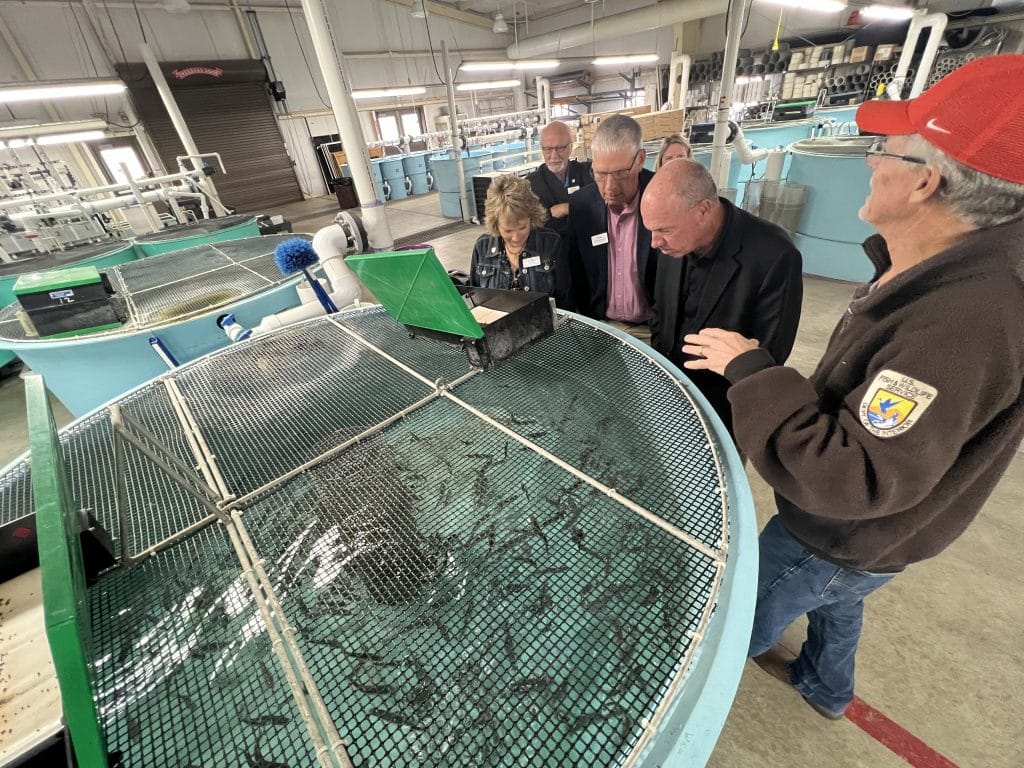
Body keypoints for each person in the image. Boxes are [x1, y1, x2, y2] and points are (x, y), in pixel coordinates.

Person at [681, 55, 1024, 720]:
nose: (871, 162)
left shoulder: (961, 321)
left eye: (883, 149)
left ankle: (693, 708)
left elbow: (856, 477)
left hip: (837, 534)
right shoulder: (938, 276)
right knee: (841, 599)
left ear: (926, 183)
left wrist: (754, 372)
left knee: (731, 629)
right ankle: (827, 687)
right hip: (880, 543)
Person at [640, 158, 802, 437]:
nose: (654, 242)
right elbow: (660, 310)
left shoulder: (774, 256)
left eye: (664, 230)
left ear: (703, 210)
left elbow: (769, 355)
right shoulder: (670, 243)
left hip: (725, 413)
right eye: (651, 230)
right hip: (668, 397)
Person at [566, 114, 658, 340]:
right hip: (600, 328)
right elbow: (576, 269)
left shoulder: (662, 198)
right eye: (600, 174)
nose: (609, 187)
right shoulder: (582, 205)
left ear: (640, 159)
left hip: (652, 331)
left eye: (620, 174)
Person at [470, 174, 569, 304]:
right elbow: (475, 298)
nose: (516, 238)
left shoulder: (551, 243)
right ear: (495, 224)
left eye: (522, 227)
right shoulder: (481, 247)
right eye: (508, 230)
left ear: (532, 218)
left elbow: (565, 298)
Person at [527, 121, 594, 240]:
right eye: (548, 149)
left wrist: (565, 208)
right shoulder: (531, 185)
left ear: (570, 147)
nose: (554, 155)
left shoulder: (587, 173)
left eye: (560, 148)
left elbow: (598, 209)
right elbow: (534, 226)